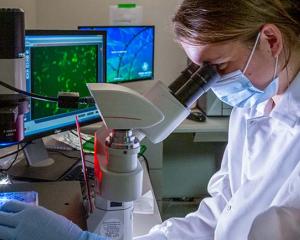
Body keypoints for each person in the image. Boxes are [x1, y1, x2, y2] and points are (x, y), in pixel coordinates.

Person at [0, 0, 299, 239]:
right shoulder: (250, 110)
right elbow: (217, 216)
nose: (211, 83)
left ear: (270, 40)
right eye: (198, 71)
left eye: (218, 66)